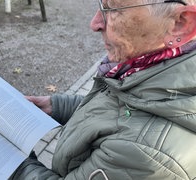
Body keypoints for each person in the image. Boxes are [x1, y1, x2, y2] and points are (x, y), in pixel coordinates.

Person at [10, 0, 196, 179]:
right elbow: (120, 109)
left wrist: (10, 160)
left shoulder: (146, 155)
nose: (95, 23)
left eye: (114, 9)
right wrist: (56, 106)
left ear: (180, 23)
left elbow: (132, 125)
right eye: (101, 5)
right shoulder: (153, 67)